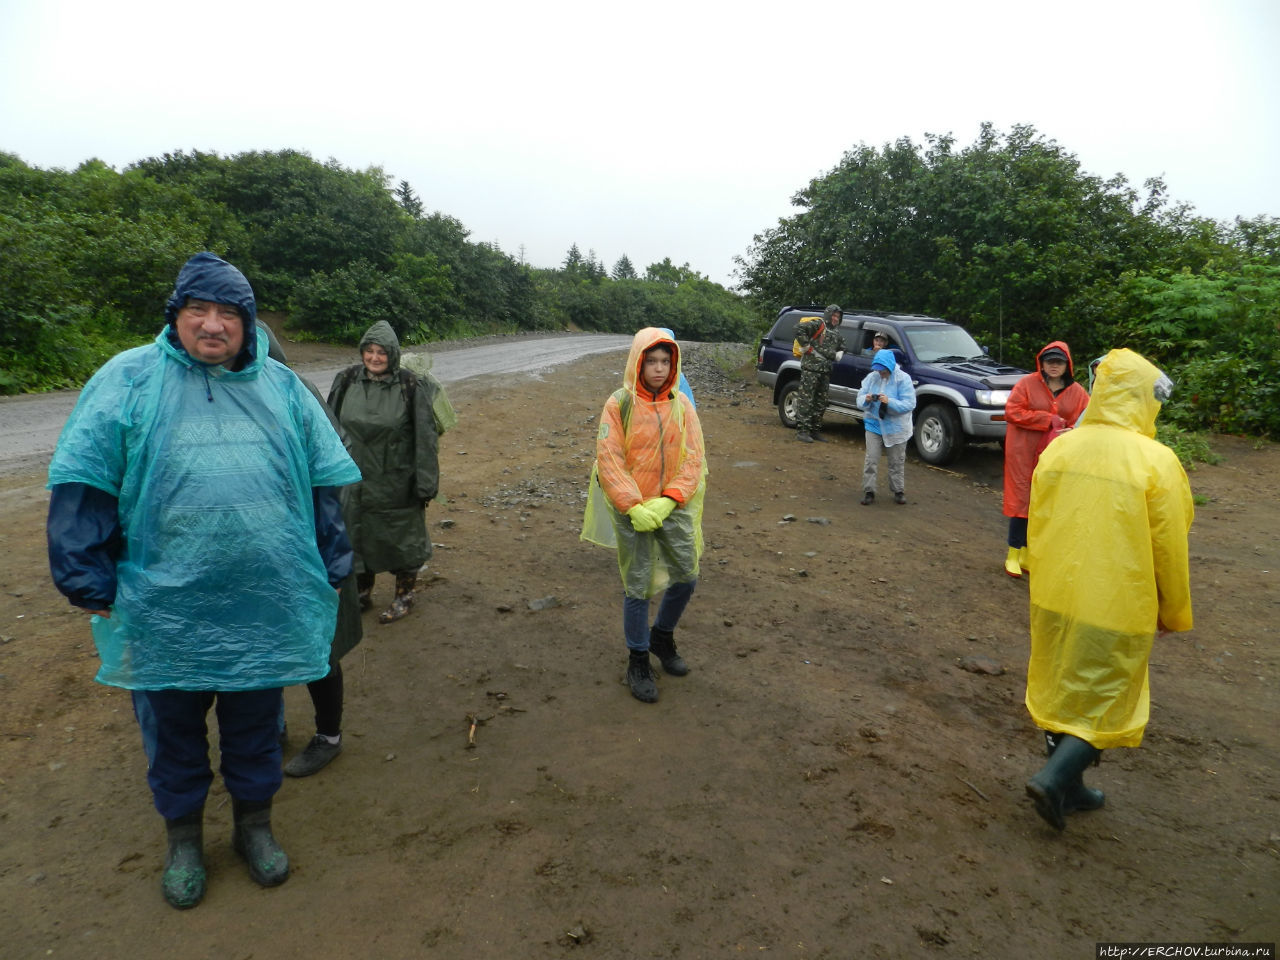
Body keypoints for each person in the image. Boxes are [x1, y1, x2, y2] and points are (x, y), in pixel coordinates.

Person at [45, 252, 361, 909]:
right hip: (163, 607)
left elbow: (322, 485)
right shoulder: (127, 380)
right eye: (199, 311)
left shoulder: (280, 388)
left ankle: (255, 829)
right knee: (173, 730)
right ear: (176, 316)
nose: (212, 326)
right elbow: (84, 483)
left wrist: (333, 562)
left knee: (256, 724)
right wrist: (88, 581)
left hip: (261, 603)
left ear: (249, 323)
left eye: (228, 314)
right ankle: (184, 840)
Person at [1023, 348, 1193, 831]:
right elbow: (1169, 547)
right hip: (1118, 602)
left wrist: (1037, 570)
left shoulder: (1061, 446)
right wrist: (1173, 610)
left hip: (1055, 594)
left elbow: (1038, 519)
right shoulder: (1156, 462)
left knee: (1062, 687)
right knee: (1108, 696)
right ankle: (1055, 779)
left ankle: (1072, 788)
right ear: (1142, 397)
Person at [256, 323, 363, 779]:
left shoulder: (295, 389)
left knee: (320, 645)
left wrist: (326, 551)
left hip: (308, 541)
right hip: (258, 549)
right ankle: (271, 727)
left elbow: (336, 465)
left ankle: (329, 736)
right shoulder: (216, 394)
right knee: (264, 642)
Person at [581, 328, 707, 703]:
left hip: (672, 505)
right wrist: (633, 505)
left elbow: (694, 458)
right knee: (637, 584)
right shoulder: (619, 404)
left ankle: (662, 636)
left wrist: (670, 499)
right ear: (637, 362)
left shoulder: (681, 405)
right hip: (631, 508)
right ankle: (638, 657)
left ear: (674, 365)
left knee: (686, 574)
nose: (657, 368)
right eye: (650, 361)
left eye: (664, 361)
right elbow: (609, 459)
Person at [328, 321, 440, 624]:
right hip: (353, 479)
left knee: (403, 539)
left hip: (396, 481)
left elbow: (425, 438)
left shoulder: (411, 386)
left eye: (382, 353)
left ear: (393, 354)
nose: (375, 358)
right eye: (369, 351)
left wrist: (426, 483)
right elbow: (328, 426)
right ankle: (362, 593)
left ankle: (404, 595)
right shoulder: (347, 380)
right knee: (356, 534)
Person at [1000, 341, 1090, 578]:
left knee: (1044, 503)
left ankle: (1029, 553)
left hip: (1056, 456)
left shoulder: (1078, 392)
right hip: (1023, 452)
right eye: (1049, 361)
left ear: (1067, 365)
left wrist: (1071, 430)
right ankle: (1013, 553)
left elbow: (1085, 420)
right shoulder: (1026, 384)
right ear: (1041, 362)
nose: (1053, 366)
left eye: (1058, 362)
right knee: (1022, 502)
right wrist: (1046, 419)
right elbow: (1012, 411)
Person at [856, 349, 917, 505]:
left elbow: (909, 404)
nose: (880, 373)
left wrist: (889, 401)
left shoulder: (903, 379)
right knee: (871, 459)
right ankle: (869, 491)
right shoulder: (872, 377)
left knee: (896, 460)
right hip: (873, 423)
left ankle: (898, 490)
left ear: (889, 367)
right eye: (877, 369)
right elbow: (859, 397)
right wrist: (867, 399)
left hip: (896, 426)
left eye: (882, 370)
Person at [793, 304, 845, 443]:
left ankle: (815, 430)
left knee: (821, 402)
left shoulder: (836, 332)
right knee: (806, 400)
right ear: (828, 315)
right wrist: (805, 345)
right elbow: (798, 328)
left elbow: (842, 345)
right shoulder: (818, 324)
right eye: (833, 316)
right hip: (811, 369)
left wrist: (840, 353)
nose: (835, 319)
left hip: (825, 371)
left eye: (838, 317)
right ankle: (803, 431)